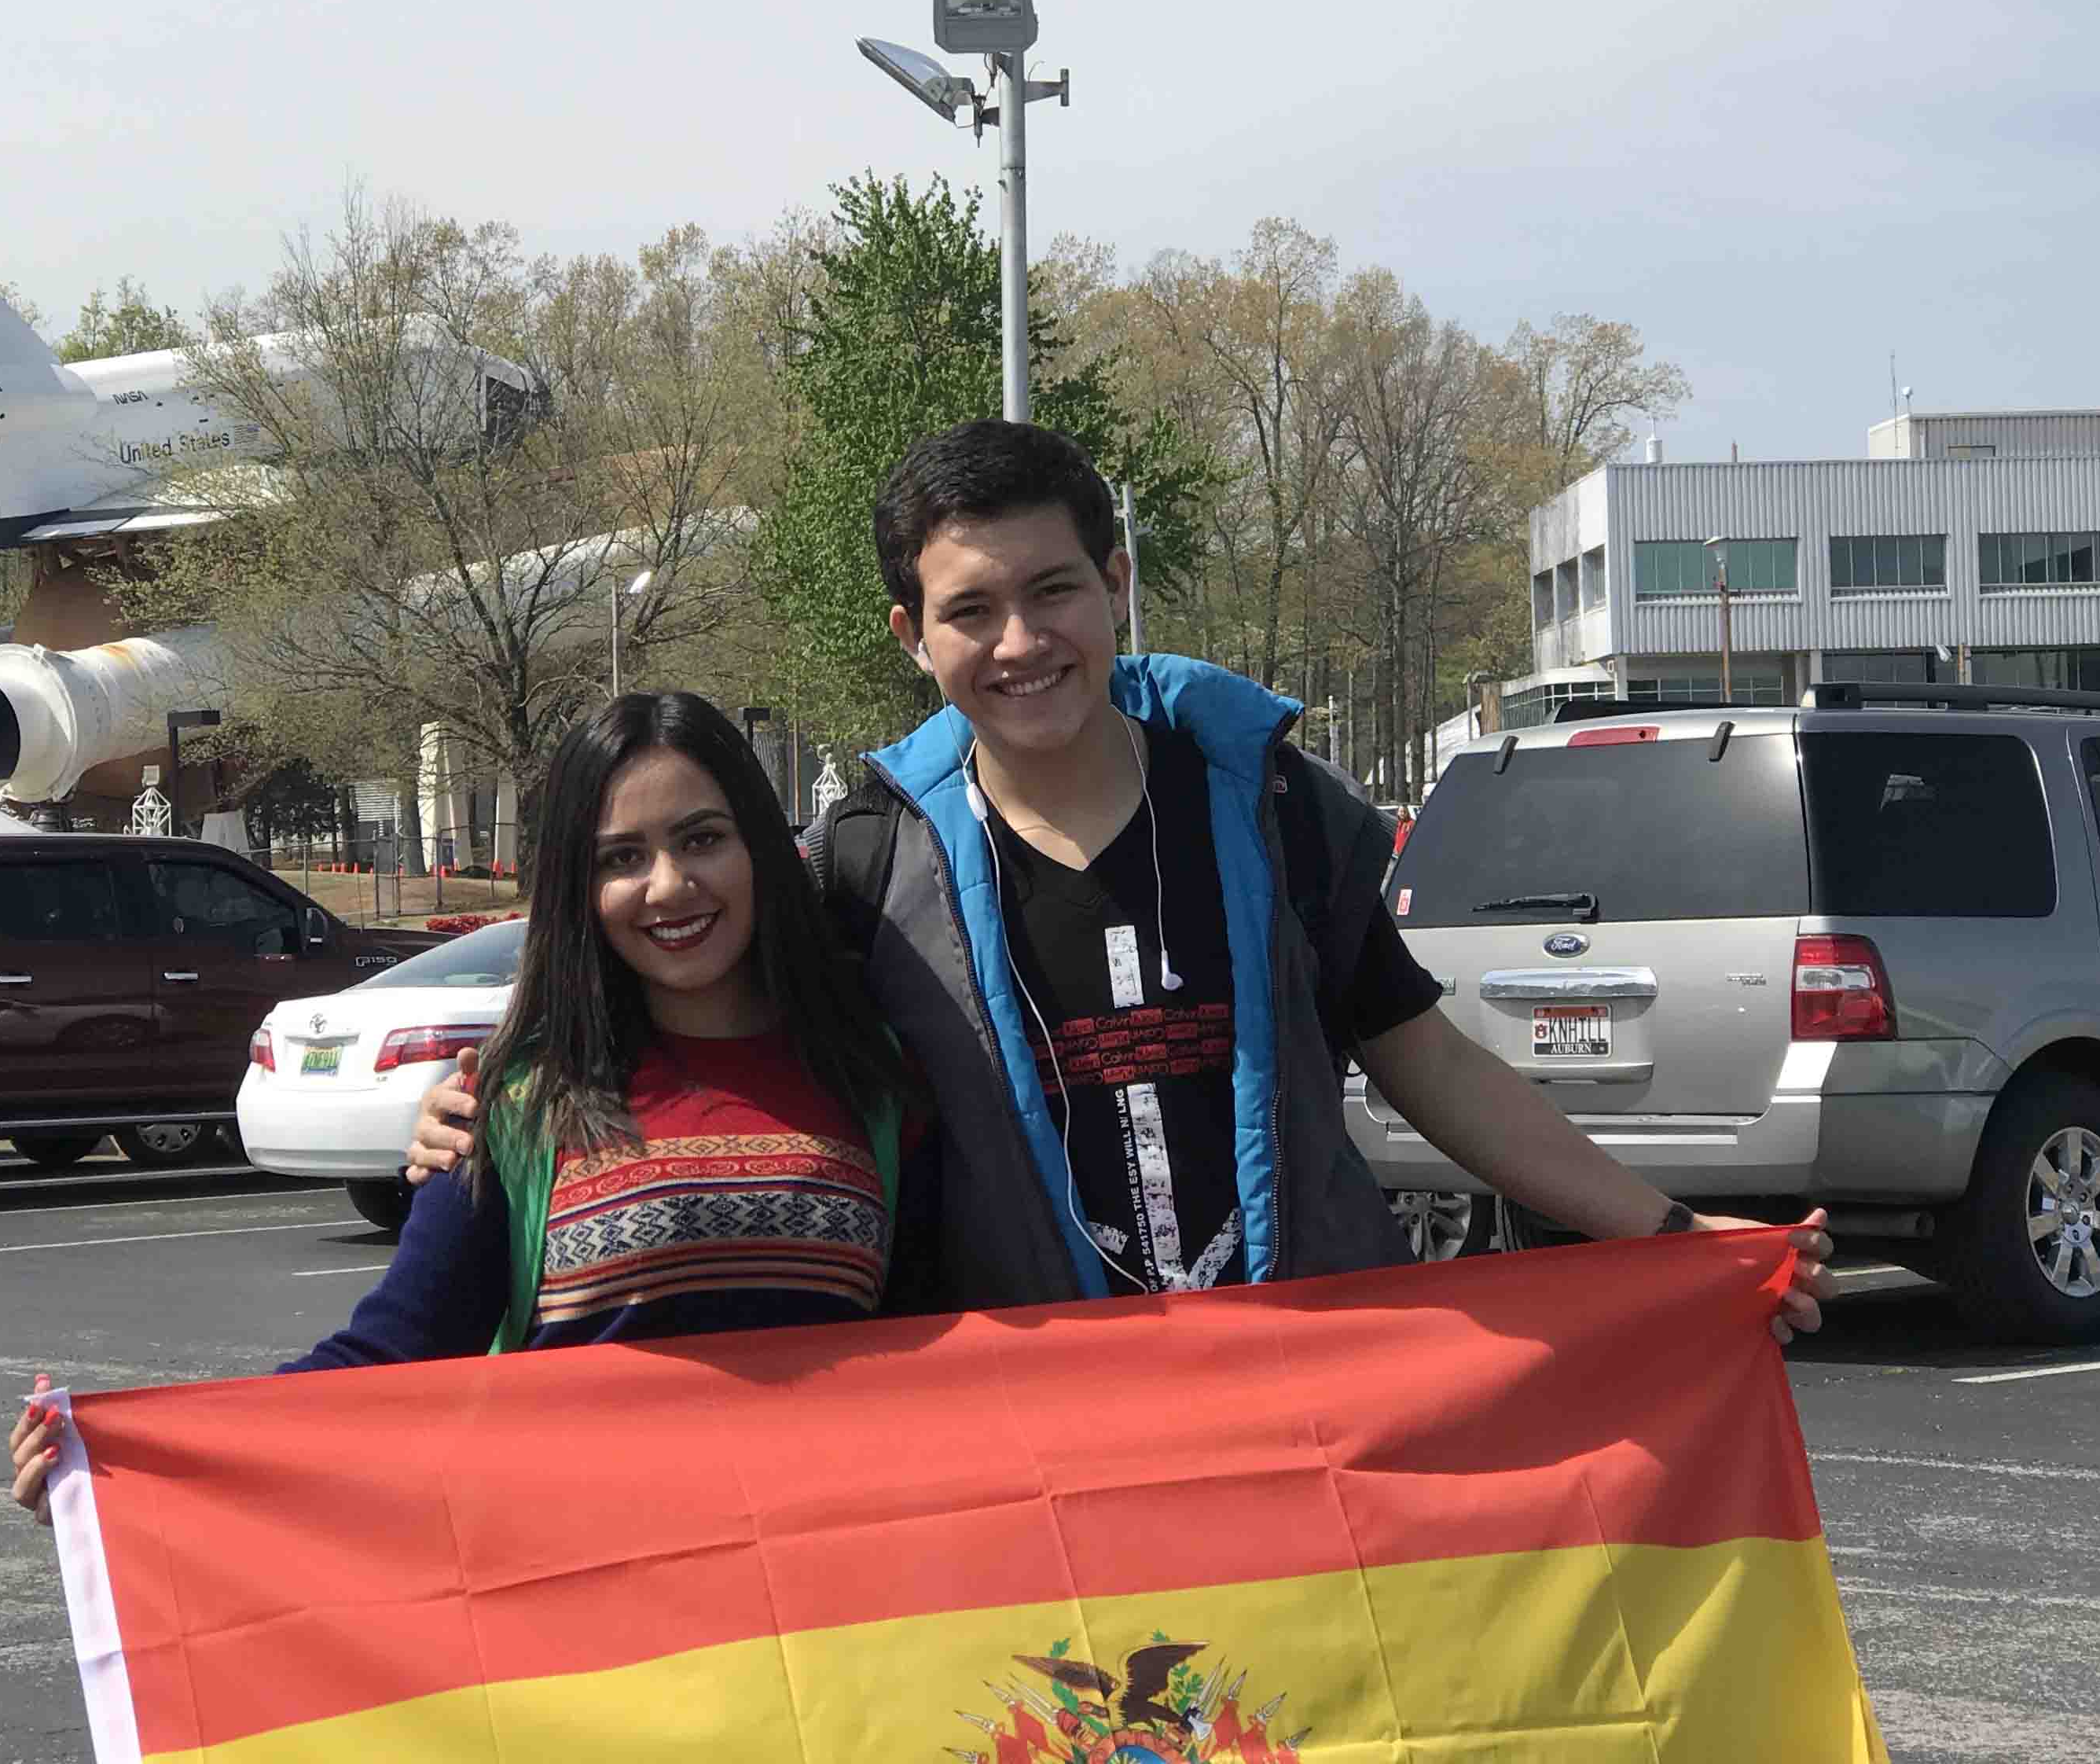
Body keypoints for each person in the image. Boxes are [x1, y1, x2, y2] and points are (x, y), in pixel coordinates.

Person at [408, 421, 1830, 1336]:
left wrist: (1660, 1228)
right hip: (1038, 1424)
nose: (1019, 639)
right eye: (970, 608)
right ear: (912, 632)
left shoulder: (1273, 806)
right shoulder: (865, 862)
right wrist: (477, 1099)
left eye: (1052, 589)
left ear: (1117, 585)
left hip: (1309, 1381)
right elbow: (677, 978)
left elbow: (1430, 1064)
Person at [7, 690, 920, 1520]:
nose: (670, 884)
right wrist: (127, 1462)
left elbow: (952, 1348)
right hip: (600, 1599)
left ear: (760, 844)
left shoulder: (868, 1077)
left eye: (703, 838)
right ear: (576, 885)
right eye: (622, 857)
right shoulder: (512, 1105)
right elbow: (396, 1352)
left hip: (830, 1604)